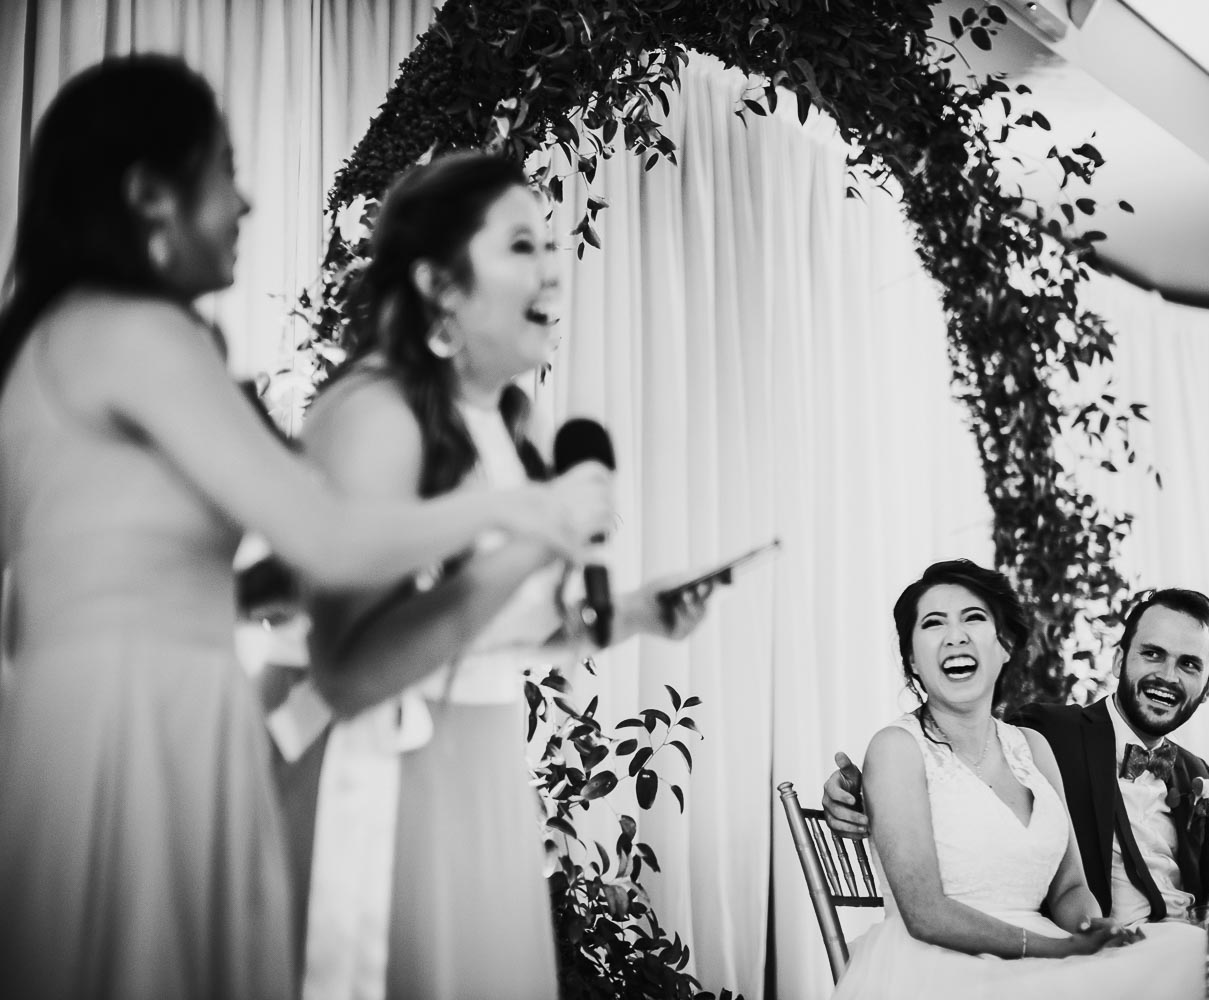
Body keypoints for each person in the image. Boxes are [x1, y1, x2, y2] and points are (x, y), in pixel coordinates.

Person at [0, 57, 609, 999]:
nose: (245, 203)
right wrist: (521, 509)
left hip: (114, 694)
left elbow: (200, 567)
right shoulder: (135, 331)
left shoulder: (66, 333)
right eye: (223, 171)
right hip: (136, 715)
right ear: (149, 196)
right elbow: (326, 536)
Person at [272, 151, 713, 1000]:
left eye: (549, 243)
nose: (552, 266)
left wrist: (635, 614)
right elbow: (352, 671)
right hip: (382, 785)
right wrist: (527, 535)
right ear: (440, 283)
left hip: (479, 775)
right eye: (521, 244)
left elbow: (494, 629)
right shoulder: (375, 412)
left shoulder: (502, 420)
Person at [829, 560, 1207, 1000]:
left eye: (973, 618)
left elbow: (1070, 887)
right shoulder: (895, 747)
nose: (955, 635)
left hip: (1046, 954)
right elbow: (925, 915)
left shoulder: (1033, 746)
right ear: (912, 658)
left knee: (1193, 949)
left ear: (1004, 646)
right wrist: (1054, 949)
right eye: (933, 624)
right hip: (938, 964)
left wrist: (1091, 928)